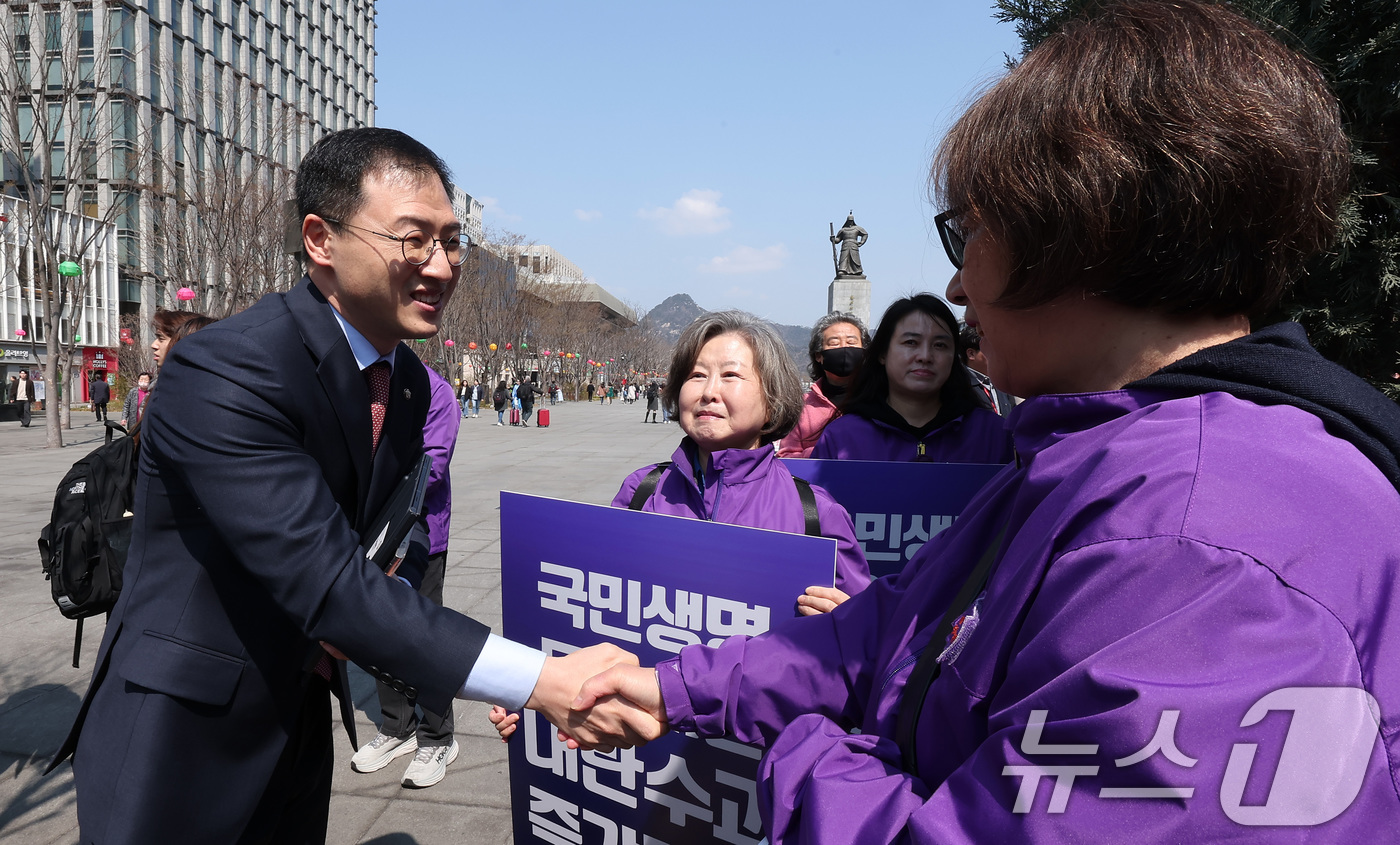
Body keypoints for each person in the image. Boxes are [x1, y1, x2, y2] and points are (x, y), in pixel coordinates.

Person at [564, 2, 1400, 840]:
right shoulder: (1092, 456)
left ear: (1084, 224)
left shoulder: (1192, 541)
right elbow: (889, 628)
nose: (958, 286)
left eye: (968, 234)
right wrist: (678, 688)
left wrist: (800, 747)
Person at [49, 127, 632, 845]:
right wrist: (544, 679)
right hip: (181, 733)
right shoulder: (224, 369)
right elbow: (328, 584)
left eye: (452, 242)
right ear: (320, 240)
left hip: (296, 721)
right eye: (413, 239)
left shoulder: (411, 383)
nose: (442, 266)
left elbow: (404, 525)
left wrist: (392, 585)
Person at [490, 312, 874, 739]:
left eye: (731, 375)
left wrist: (851, 626)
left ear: (773, 400)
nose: (709, 391)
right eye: (696, 375)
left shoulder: (815, 514)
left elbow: (870, 653)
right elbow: (591, 616)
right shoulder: (642, 492)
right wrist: (538, 689)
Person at [351, 366, 461, 788]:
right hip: (363, 533)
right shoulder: (354, 378)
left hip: (418, 535)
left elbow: (430, 468)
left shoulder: (434, 389)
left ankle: (438, 735)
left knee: (423, 636)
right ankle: (398, 727)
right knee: (376, 630)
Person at [812, 294, 1012, 463]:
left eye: (940, 345)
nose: (925, 356)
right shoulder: (841, 437)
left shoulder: (992, 435)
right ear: (882, 353)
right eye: (911, 342)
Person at [777, 312, 868, 457]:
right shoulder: (801, 406)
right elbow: (787, 457)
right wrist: (823, 451)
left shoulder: (880, 399)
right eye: (834, 343)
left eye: (851, 342)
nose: (844, 348)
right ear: (819, 356)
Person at [960, 324, 1015, 416]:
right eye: (990, 348)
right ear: (971, 354)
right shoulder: (959, 387)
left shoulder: (1001, 383)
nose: (996, 354)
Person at [830, 213, 869, 277]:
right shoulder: (843, 230)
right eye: (849, 221)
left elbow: (865, 234)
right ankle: (842, 270)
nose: (850, 222)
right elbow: (838, 240)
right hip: (845, 245)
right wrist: (833, 239)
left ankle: (857, 271)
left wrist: (862, 242)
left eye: (851, 221)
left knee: (855, 258)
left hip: (854, 245)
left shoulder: (857, 228)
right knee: (844, 258)